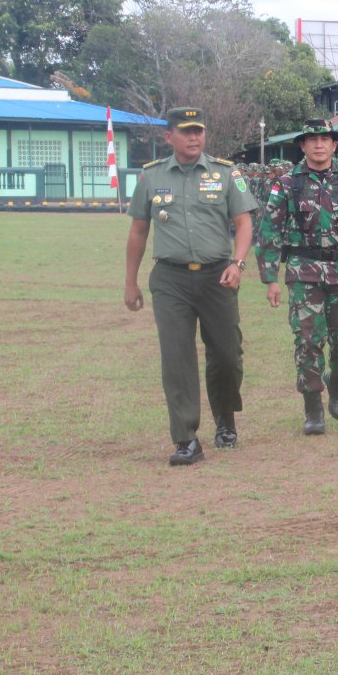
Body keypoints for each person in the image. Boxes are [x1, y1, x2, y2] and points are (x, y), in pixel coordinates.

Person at [124, 108, 257, 465]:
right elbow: (138, 230)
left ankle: (225, 419)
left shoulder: (227, 173)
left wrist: (238, 262)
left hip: (218, 276)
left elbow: (243, 223)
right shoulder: (151, 177)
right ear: (168, 137)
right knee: (177, 359)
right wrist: (130, 283)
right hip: (170, 279)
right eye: (185, 132)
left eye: (199, 131)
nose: (194, 138)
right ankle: (186, 439)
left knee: (228, 355)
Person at [258, 120, 338, 435]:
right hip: (303, 271)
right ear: (302, 145)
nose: (318, 145)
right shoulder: (287, 183)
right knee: (308, 341)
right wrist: (270, 277)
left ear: (333, 144)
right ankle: (313, 408)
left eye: (324, 139)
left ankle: (337, 380)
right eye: (312, 139)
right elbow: (270, 230)